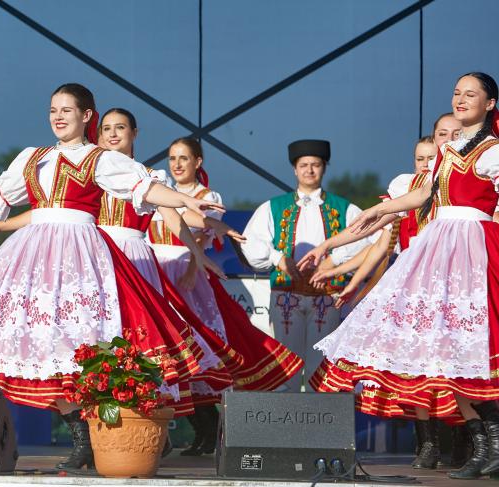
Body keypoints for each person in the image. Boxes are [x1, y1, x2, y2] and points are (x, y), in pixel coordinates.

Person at [0, 83, 226, 471]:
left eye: (66, 110)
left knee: (81, 342)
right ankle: (81, 434)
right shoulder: (33, 158)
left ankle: (105, 433)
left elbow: (146, 188)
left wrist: (184, 199)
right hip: (34, 255)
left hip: (79, 254)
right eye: (53, 110)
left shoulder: (99, 158)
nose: (58, 117)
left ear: (86, 116)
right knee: (39, 343)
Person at [306, 72, 499, 480]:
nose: (461, 99)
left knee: (469, 346)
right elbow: (425, 193)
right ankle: (486, 445)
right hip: (439, 248)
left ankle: (490, 444)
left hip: (474, 248)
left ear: (490, 104)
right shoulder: (448, 151)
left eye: (471, 94)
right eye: (457, 93)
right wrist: (381, 208)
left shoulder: (493, 151)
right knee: (440, 349)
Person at [147, 137, 304, 455]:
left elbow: (201, 238)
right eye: (173, 158)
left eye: (184, 158)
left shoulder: (207, 197)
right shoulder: (160, 191)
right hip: (157, 273)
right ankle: (197, 430)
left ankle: (208, 429)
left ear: (197, 162)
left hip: (187, 274)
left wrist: (192, 269)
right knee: (172, 350)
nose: (177, 164)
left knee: (200, 347)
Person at [240, 139, 367, 392]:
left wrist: (335, 260)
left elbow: (368, 239)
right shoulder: (273, 207)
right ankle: (287, 416)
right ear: (295, 169)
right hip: (286, 295)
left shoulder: (344, 208)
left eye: (315, 164)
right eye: (304, 165)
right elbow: (249, 242)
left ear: (324, 168)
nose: (309, 170)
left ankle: (318, 415)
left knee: (320, 364)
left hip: (326, 296)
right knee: (286, 362)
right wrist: (277, 258)